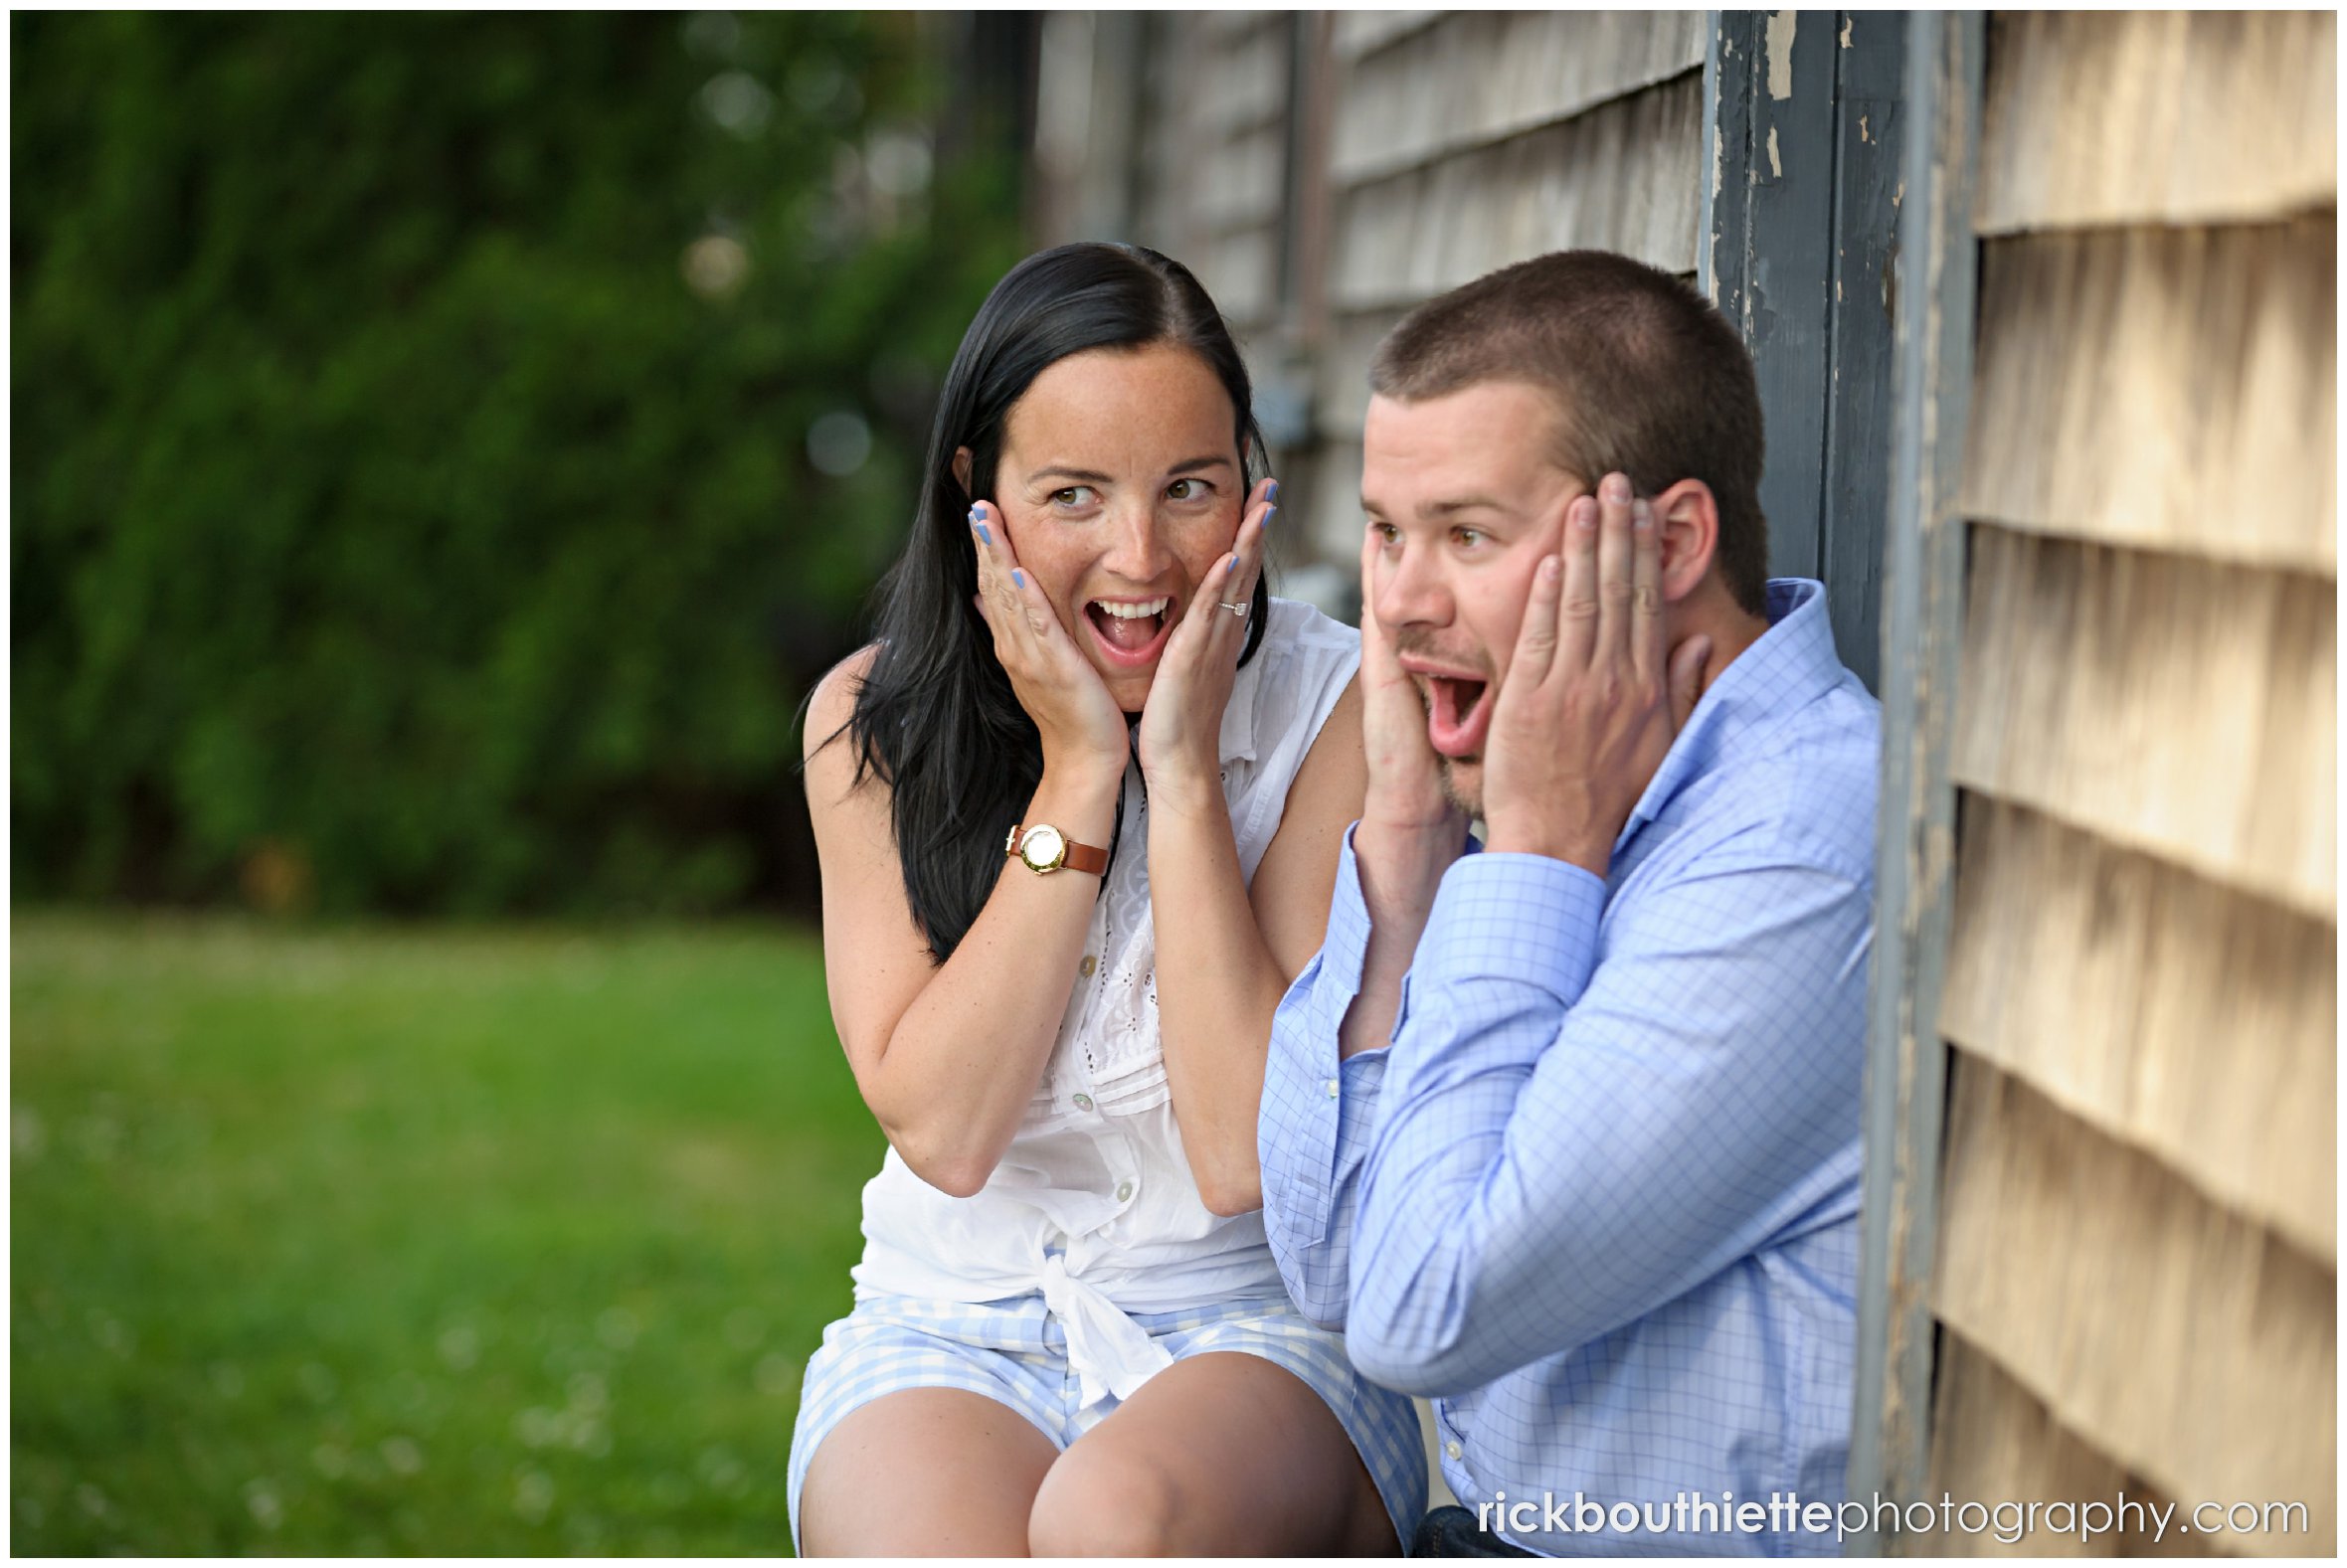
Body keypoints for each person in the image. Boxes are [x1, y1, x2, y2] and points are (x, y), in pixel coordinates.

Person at [790, 242, 1424, 1556]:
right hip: (953, 1317)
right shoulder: (871, 723)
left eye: (1188, 487)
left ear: (1251, 481)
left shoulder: (1342, 707)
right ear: (979, 494)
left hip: (1250, 1323)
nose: (1143, 559)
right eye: (1074, 493)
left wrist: (1182, 771)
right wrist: (1080, 769)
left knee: (1113, 1525)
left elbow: (1244, 1153)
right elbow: (949, 1131)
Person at [1258, 250, 1880, 1557]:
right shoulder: (1558, 794)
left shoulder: (1803, 843)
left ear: (1668, 545)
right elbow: (1329, 1269)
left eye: (1468, 533)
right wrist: (1416, 843)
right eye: (1386, 530)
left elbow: (1418, 1312)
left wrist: (1536, 849)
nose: (1403, 600)